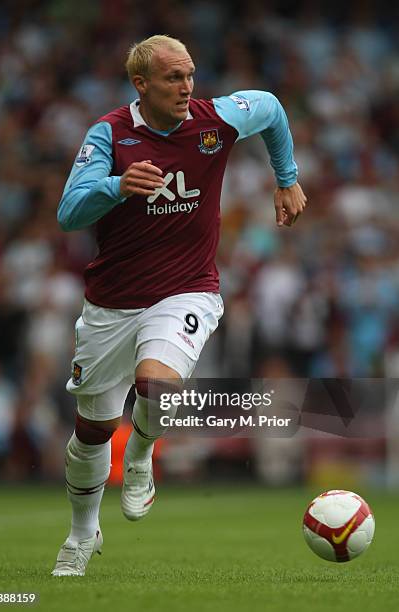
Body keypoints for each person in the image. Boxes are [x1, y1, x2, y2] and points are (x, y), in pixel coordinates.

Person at [51, 34, 307, 577]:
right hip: (112, 304)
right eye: (173, 78)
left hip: (187, 288)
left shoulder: (213, 120)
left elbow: (272, 107)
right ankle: (81, 533)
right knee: (92, 430)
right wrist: (117, 186)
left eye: (190, 75)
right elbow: (69, 213)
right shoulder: (110, 135)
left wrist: (286, 179)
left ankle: (141, 454)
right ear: (140, 84)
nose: (187, 88)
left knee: (156, 385)